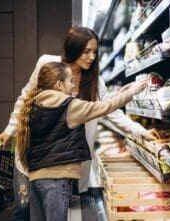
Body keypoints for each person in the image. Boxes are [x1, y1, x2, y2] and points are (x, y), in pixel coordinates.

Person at [0, 26, 160, 221]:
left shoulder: (94, 82)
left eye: (94, 52)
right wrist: (10, 129)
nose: (91, 57)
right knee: (22, 208)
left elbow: (111, 111)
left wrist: (140, 131)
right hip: (31, 155)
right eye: (86, 51)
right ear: (73, 49)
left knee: (50, 210)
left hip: (62, 161)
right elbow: (26, 98)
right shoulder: (47, 64)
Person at [16, 61, 147, 221]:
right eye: (70, 81)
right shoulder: (69, 107)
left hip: (35, 180)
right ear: (59, 84)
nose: (73, 85)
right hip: (56, 182)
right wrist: (132, 92)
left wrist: (120, 93)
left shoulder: (33, 105)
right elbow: (106, 107)